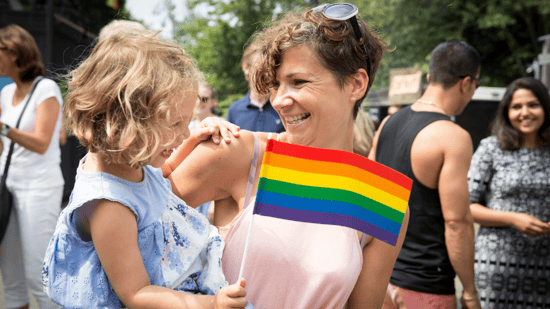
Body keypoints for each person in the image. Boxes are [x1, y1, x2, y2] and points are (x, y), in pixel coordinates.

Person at [163, 4, 409, 308]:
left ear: (356, 84)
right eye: (276, 84)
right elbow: (132, 215)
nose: (279, 100)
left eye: (299, 82)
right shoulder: (239, 152)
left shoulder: (383, 199)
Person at [42, 29, 249, 309]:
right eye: (176, 124)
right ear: (126, 120)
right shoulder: (108, 204)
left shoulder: (127, 161)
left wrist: (194, 139)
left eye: (188, 122)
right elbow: (136, 293)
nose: (183, 133)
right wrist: (210, 304)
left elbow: (160, 179)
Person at [369, 40, 482, 308]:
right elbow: (457, 222)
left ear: (430, 76)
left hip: (380, 279)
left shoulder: (387, 123)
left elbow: (368, 199)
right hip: (427, 284)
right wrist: (469, 291)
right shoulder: (453, 137)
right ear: (466, 83)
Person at [468, 77, 550, 308]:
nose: (525, 113)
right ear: (506, 112)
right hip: (497, 267)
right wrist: (514, 219)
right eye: (516, 107)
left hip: (545, 267)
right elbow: (466, 206)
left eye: (533, 105)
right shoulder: (491, 148)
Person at [0, 24, 64, 309]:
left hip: (38, 188)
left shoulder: (46, 88)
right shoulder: (6, 93)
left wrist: (3, 128)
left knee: (38, 275)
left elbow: (41, 142)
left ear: (13, 52)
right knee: (11, 278)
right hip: (7, 186)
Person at [226, 41, 285, 133]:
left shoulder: (283, 105)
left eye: (270, 67)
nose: (267, 72)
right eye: (261, 67)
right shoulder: (235, 110)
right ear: (246, 68)